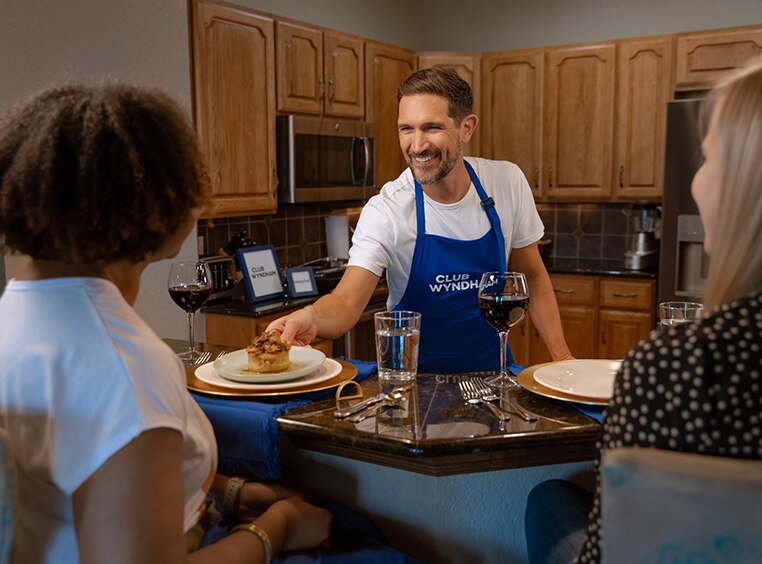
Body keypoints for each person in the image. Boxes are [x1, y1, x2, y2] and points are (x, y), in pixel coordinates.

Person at [0, 83, 332, 563]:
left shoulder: (17, 312)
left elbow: (84, 476)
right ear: (157, 203)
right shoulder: (123, 365)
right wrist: (276, 529)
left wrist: (233, 492)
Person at [525, 58, 762, 563]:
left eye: (709, 161)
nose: (696, 185)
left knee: (549, 499)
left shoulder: (677, 367)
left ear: (746, 187)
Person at [269, 67, 572, 373]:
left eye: (431, 128)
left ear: (466, 128)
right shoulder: (387, 210)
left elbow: (532, 277)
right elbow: (346, 302)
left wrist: (562, 360)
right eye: (406, 129)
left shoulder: (506, 182)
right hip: (411, 388)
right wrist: (311, 316)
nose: (416, 145)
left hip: (493, 380)